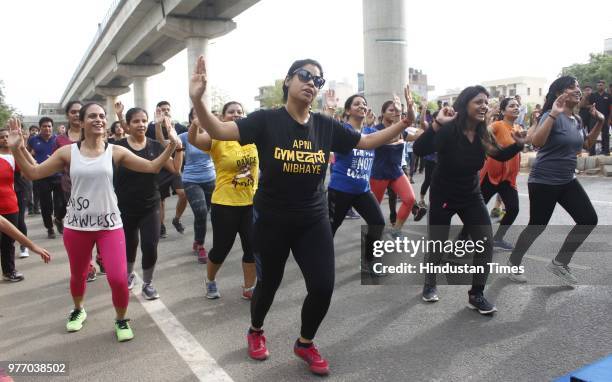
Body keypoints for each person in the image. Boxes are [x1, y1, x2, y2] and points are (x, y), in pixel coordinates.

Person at [189, 56, 415, 375]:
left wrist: (403, 124)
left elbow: (364, 141)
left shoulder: (324, 125)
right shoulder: (265, 120)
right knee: (268, 284)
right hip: (271, 220)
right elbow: (219, 129)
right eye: (305, 76)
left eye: (318, 80)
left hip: (312, 219)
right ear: (288, 81)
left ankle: (305, 343)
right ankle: (255, 330)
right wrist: (198, 100)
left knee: (323, 286)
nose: (311, 83)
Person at [7, 102, 178, 342]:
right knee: (78, 276)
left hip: (110, 226)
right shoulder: (68, 152)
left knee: (118, 279)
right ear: (81, 121)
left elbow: (151, 167)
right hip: (77, 227)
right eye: (92, 116)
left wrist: (172, 144)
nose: (98, 119)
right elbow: (34, 173)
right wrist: (17, 149)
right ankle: (78, 309)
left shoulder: (115, 152)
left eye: (102, 116)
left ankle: (121, 318)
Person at [413, 85, 526, 314]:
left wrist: (518, 144)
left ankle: (476, 295)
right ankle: (430, 282)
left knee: (485, 243)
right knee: (438, 244)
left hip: (471, 195)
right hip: (444, 194)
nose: (484, 105)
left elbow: (499, 154)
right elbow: (419, 147)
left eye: (486, 101)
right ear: (465, 104)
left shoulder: (484, 134)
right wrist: (436, 125)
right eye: (478, 101)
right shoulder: (448, 129)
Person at [508, 76, 604, 285]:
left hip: (567, 180)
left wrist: (600, 121)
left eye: (577, 86)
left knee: (588, 219)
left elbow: (586, 145)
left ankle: (560, 263)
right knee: (537, 225)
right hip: (544, 180)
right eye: (571, 87)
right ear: (560, 93)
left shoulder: (576, 119)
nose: (578, 90)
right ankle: (514, 261)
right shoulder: (551, 116)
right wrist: (552, 113)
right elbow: (537, 142)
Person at [188, 102, 258, 299]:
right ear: (222, 116)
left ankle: (249, 287)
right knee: (221, 248)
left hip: (250, 202)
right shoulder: (217, 137)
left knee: (251, 246)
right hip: (225, 204)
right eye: (231, 112)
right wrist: (195, 124)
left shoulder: (253, 137)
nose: (235, 115)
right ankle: (210, 280)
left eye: (239, 111)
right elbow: (194, 140)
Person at [114, 107, 183, 299]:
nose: (141, 124)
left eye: (144, 120)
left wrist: (178, 146)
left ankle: (148, 283)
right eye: (136, 121)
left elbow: (176, 168)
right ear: (127, 124)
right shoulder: (118, 147)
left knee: (150, 245)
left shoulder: (155, 146)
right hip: (124, 207)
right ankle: (128, 275)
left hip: (150, 206)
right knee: (129, 244)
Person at [324, 93, 386, 275]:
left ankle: (368, 261)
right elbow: (323, 131)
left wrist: (403, 115)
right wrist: (329, 110)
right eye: (357, 103)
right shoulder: (342, 130)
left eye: (364, 104)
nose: (362, 106)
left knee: (377, 223)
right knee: (330, 229)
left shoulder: (370, 133)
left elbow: (394, 135)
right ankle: (320, 263)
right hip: (340, 190)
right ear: (348, 110)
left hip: (362, 190)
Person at [458, 97, 523, 250]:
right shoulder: (498, 125)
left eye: (517, 106)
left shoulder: (518, 128)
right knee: (476, 209)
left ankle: (498, 238)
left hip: (508, 178)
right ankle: (463, 237)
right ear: (502, 111)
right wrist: (487, 117)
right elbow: (483, 132)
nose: (516, 108)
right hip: (491, 177)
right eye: (511, 106)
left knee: (513, 209)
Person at [369, 95, 420, 234]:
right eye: (390, 110)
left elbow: (419, 134)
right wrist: (399, 118)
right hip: (379, 174)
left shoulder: (401, 129)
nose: (394, 112)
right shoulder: (376, 129)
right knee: (375, 209)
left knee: (410, 199)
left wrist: (419, 114)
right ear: (383, 113)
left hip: (396, 172)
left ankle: (396, 231)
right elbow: (391, 137)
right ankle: (373, 235)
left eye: (396, 110)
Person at [177, 109, 216, 264]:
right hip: (191, 180)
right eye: (196, 116)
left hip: (210, 179)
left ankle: (196, 239)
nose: (200, 119)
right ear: (191, 119)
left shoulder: (213, 135)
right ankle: (200, 245)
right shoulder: (185, 137)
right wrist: (161, 128)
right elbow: (167, 142)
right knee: (200, 212)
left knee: (205, 213)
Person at [147, 101, 188, 237]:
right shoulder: (152, 127)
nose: (165, 111)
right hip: (160, 166)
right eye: (162, 109)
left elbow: (183, 144)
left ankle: (176, 219)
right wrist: (158, 124)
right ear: (158, 111)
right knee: (161, 200)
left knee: (183, 194)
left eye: (167, 109)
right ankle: (161, 225)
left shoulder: (179, 127)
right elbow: (159, 140)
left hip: (175, 166)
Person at [28, 117, 65, 239]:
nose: (47, 128)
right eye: (44, 126)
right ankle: (49, 228)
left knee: (62, 203)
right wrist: (32, 162)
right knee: (45, 204)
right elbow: (27, 153)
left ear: (52, 127)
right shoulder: (33, 140)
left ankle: (59, 219)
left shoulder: (58, 139)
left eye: (49, 126)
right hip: (42, 176)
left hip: (59, 175)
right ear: (40, 128)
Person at [587, 80, 611, 155]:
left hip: (605, 118)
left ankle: (606, 151)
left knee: (605, 135)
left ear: (604, 86)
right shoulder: (593, 95)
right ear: (597, 86)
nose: (600, 86)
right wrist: (591, 107)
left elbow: (611, 108)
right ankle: (592, 151)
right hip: (594, 118)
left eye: (601, 85)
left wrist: (610, 119)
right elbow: (587, 105)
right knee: (593, 133)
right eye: (599, 85)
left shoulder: (609, 95)